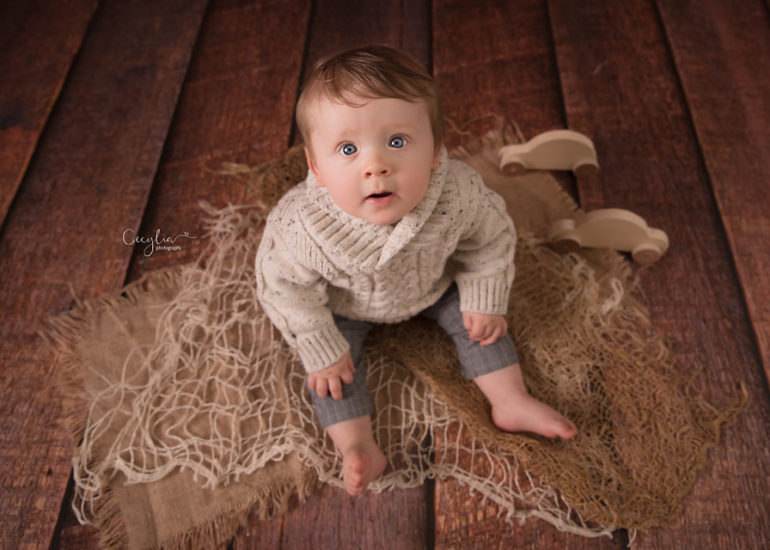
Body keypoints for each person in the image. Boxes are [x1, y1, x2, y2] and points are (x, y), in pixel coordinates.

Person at [255, 45, 577, 497]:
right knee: (329, 374)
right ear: (317, 168)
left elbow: (490, 239)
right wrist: (317, 340)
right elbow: (282, 287)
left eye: (398, 141)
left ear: (435, 150)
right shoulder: (301, 226)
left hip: (434, 285)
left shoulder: (457, 193)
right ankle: (357, 444)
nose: (376, 165)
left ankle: (511, 401)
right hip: (344, 306)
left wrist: (483, 295)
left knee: (484, 326)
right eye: (347, 149)